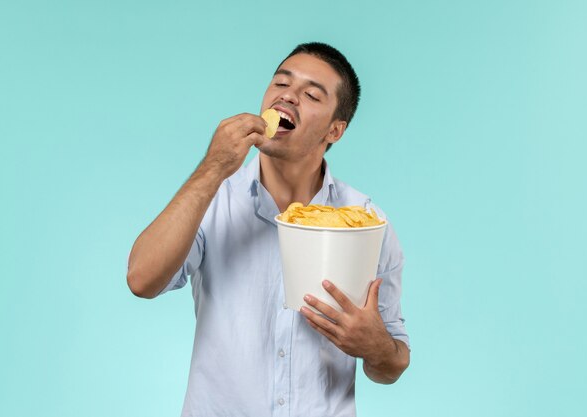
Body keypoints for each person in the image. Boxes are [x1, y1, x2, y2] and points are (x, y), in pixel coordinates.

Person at [127, 42, 410, 417]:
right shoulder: (212, 199)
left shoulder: (367, 222)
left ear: (335, 130)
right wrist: (213, 167)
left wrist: (375, 347)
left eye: (311, 94)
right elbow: (141, 280)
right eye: (280, 84)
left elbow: (392, 365)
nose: (289, 97)